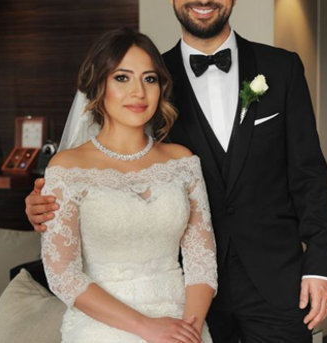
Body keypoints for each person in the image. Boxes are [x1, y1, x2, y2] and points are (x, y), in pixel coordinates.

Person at [28, 0, 327, 342]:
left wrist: (319, 265)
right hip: (183, 296)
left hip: (276, 284)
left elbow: (309, 176)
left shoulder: (281, 70)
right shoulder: (150, 80)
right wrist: (43, 204)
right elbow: (104, 168)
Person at [40, 28, 217, 342]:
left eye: (150, 79)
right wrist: (147, 328)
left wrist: (188, 332)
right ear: (99, 85)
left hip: (182, 322)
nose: (139, 92)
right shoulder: (67, 168)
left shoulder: (183, 162)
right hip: (101, 326)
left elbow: (201, 262)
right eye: (122, 78)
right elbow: (63, 274)